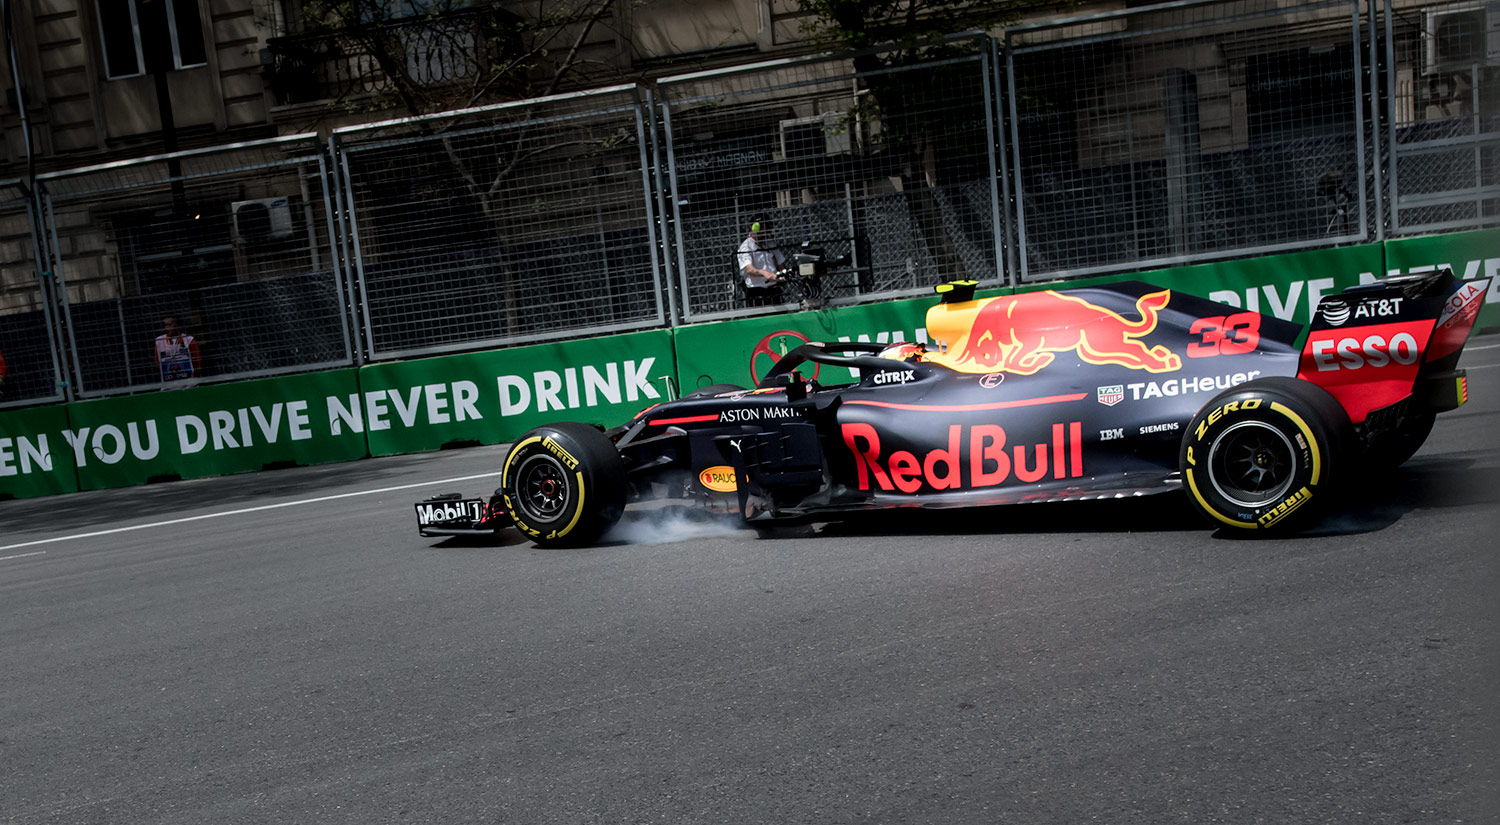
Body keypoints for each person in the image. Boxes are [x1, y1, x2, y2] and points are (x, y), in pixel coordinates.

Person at [735, 218, 787, 307]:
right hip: (756, 291)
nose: (765, 232)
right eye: (763, 229)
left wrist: (782, 274)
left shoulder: (770, 243)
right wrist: (764, 273)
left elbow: (780, 261)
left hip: (773, 288)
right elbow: (749, 269)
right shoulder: (746, 247)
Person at [154, 316, 203, 382]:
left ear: (177, 325)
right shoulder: (159, 341)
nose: (167, 328)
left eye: (170, 324)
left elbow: (197, 363)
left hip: (189, 384)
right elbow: (157, 363)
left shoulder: (189, 340)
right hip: (168, 386)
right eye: (165, 325)